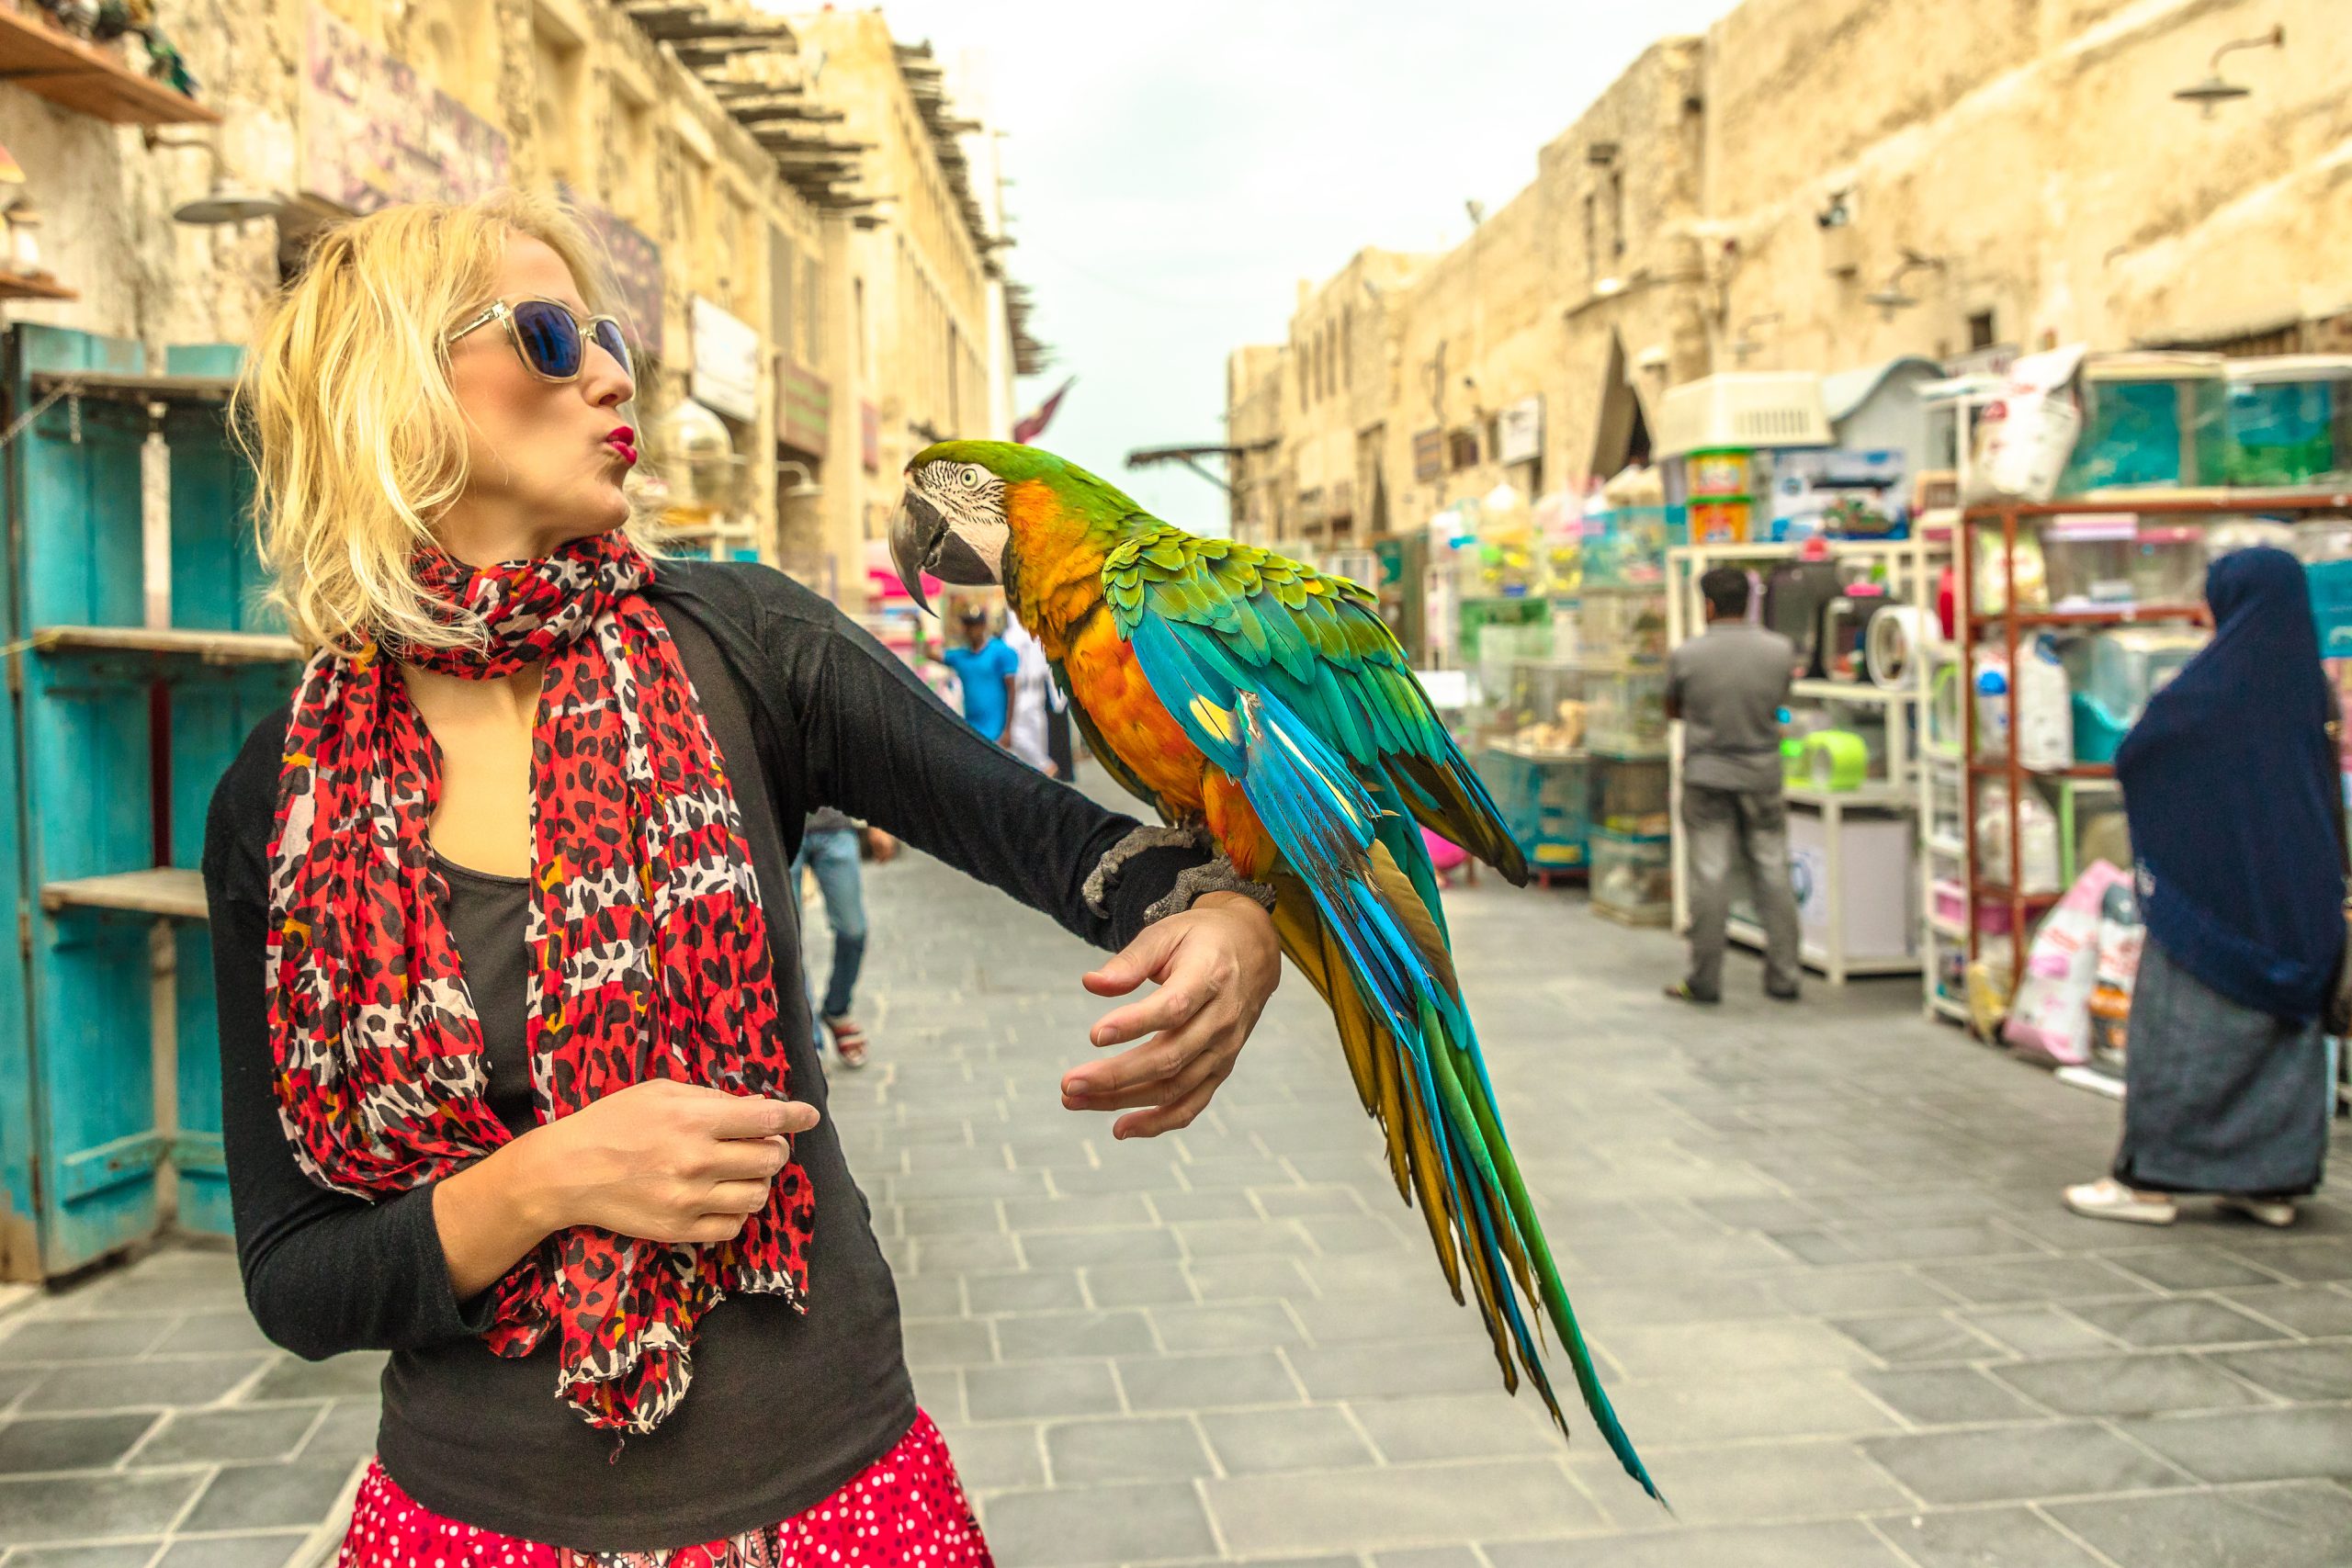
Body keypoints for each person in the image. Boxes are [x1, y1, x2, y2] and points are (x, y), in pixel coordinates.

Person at [200, 192, 1283, 1566]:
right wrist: (547, 1177)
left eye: (609, 335)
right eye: (547, 335)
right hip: (476, 1520)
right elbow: (295, 1274)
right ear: (393, 389)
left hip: (838, 1495)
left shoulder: (741, 642)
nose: (607, 370)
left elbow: (1075, 848)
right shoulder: (280, 797)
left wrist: (1234, 917)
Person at [2066, 547, 2339, 1228]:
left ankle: (2149, 1181)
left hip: (2212, 902)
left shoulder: (2210, 688)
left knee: (2178, 1039)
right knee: (2284, 1043)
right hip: (2299, 903)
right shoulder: (2310, 686)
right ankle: (2269, 1183)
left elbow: (2139, 754)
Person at [1664, 565, 1803, 1004]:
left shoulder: (1687, 655)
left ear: (1707, 605)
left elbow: (1673, 709)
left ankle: (1705, 980)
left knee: (1709, 876)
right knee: (1773, 870)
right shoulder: (1780, 651)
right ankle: (1784, 976)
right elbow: (1780, 704)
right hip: (1763, 775)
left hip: (1706, 775)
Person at [793, 808, 891, 1067]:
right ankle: (809, 1038)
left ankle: (837, 1009)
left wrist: (878, 822)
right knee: (788, 939)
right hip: (779, 828)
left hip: (835, 825)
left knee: (853, 931)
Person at [940, 604, 1019, 746]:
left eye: (975, 625)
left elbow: (1012, 690)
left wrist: (1008, 730)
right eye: (968, 625)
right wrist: (919, 630)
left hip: (997, 733)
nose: (971, 630)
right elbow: (931, 654)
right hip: (973, 732)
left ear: (983, 626)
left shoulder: (1000, 651)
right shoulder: (961, 656)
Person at [1001, 613, 1062, 775]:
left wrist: (1056, 695)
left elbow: (1048, 665)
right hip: (1024, 692)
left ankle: (1044, 767)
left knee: (1034, 738)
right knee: (1020, 738)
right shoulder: (1014, 636)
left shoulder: (1027, 635)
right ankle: (1044, 767)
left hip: (1033, 692)